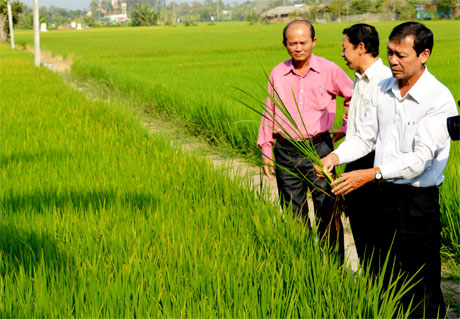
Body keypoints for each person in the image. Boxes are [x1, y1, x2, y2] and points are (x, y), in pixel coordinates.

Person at [320, 22, 458, 318]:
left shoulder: (438, 98)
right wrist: (335, 154)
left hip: (417, 202)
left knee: (420, 281)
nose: (393, 61)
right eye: (390, 53)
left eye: (401, 55)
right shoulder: (384, 88)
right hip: (383, 195)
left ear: (424, 55)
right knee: (384, 271)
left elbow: (420, 159)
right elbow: (364, 136)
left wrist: (370, 174)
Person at [258, 20, 353, 259]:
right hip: (286, 150)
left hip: (320, 149)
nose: (298, 48)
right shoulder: (278, 72)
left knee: (327, 210)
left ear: (314, 42)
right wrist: (266, 151)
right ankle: (302, 265)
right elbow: (270, 111)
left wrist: (344, 127)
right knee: (292, 213)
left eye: (303, 42)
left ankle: (335, 271)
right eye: (292, 43)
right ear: (284, 44)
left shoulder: (329, 70)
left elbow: (354, 96)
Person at [338, 24, 392, 268]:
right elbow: (358, 129)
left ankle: (382, 289)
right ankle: (371, 287)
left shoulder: (384, 80)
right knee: (360, 231)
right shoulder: (359, 79)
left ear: (361, 48)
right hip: (355, 158)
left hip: (374, 166)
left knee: (377, 234)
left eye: (345, 48)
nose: (342, 54)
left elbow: (376, 135)